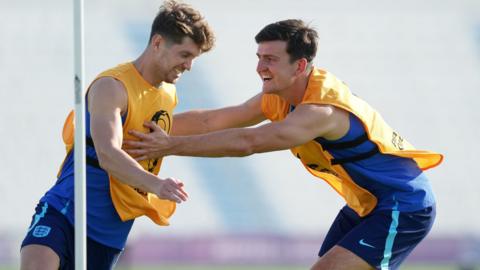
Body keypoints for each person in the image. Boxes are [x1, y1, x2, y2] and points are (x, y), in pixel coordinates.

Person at [124, 19, 443, 270]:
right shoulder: (280, 96)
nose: (261, 67)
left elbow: (248, 142)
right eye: (260, 57)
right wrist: (135, 128)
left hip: (403, 204)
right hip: (368, 202)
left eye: (271, 59)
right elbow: (216, 120)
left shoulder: (320, 111)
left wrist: (167, 145)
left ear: (301, 66)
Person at [20, 1, 215, 269]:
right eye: (185, 54)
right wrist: (156, 185)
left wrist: (265, 108)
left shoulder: (168, 94)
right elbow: (108, 154)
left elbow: (207, 121)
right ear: (157, 43)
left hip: (111, 232)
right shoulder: (112, 86)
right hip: (68, 209)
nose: (189, 65)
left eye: (194, 58)